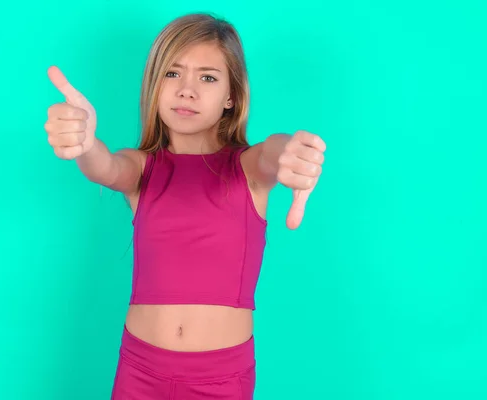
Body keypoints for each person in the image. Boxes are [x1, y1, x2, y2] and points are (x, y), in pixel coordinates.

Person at [44, 12, 326, 400]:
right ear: (155, 85)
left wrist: (292, 152)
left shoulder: (248, 168)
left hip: (221, 379)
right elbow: (106, 168)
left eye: (207, 77)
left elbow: (273, 154)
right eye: (173, 74)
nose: (187, 90)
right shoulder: (143, 168)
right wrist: (85, 143)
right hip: (139, 371)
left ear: (232, 96)